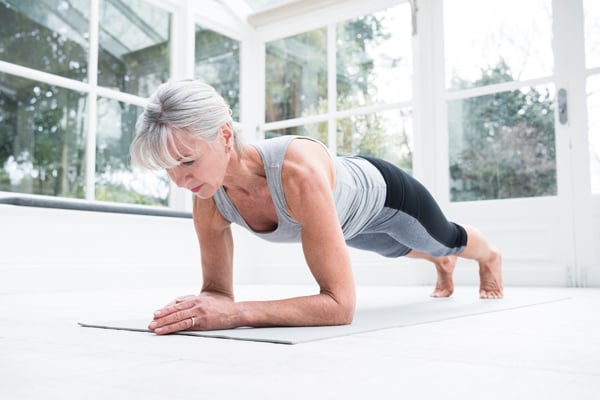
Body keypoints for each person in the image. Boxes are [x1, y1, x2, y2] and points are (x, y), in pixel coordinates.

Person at [130, 79, 503, 335]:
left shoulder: (297, 173)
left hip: (387, 196)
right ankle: (440, 264)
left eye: (188, 162)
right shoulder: (208, 197)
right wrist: (203, 306)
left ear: (225, 136)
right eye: (169, 169)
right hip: (347, 220)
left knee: (446, 240)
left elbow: (340, 306)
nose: (179, 181)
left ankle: (488, 258)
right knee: (400, 250)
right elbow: (216, 292)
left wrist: (239, 313)